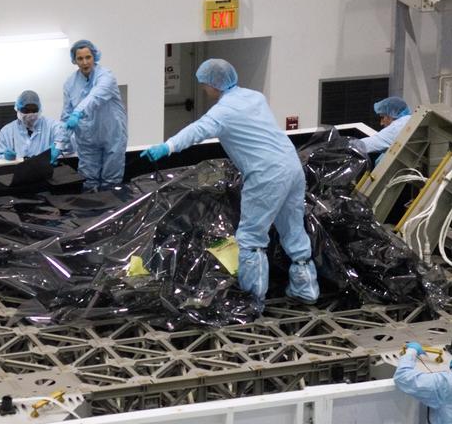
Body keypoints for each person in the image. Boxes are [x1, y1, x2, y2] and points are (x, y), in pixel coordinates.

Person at [140, 59, 319, 311]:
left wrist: (167, 147)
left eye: (204, 85)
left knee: (251, 238)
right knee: (292, 227)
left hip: (266, 175)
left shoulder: (222, 112)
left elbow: (197, 130)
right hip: (291, 166)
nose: (204, 90)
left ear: (212, 85)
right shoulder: (255, 97)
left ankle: (253, 300)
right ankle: (306, 288)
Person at [61, 39, 128, 191]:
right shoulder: (70, 84)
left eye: (88, 57)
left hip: (112, 136)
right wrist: (59, 144)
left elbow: (95, 97)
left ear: (94, 57)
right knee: (87, 181)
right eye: (80, 58)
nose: (85, 62)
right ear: (74, 60)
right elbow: (66, 116)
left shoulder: (106, 77)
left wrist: (78, 112)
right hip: (86, 139)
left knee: (111, 182)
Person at [0, 90, 70, 162]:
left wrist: (59, 145)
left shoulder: (52, 126)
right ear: (18, 109)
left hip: (46, 171)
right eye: (26, 110)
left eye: (34, 110)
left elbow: (68, 143)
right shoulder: (6, 131)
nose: (30, 114)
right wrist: (6, 158)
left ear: (39, 109)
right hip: (17, 172)